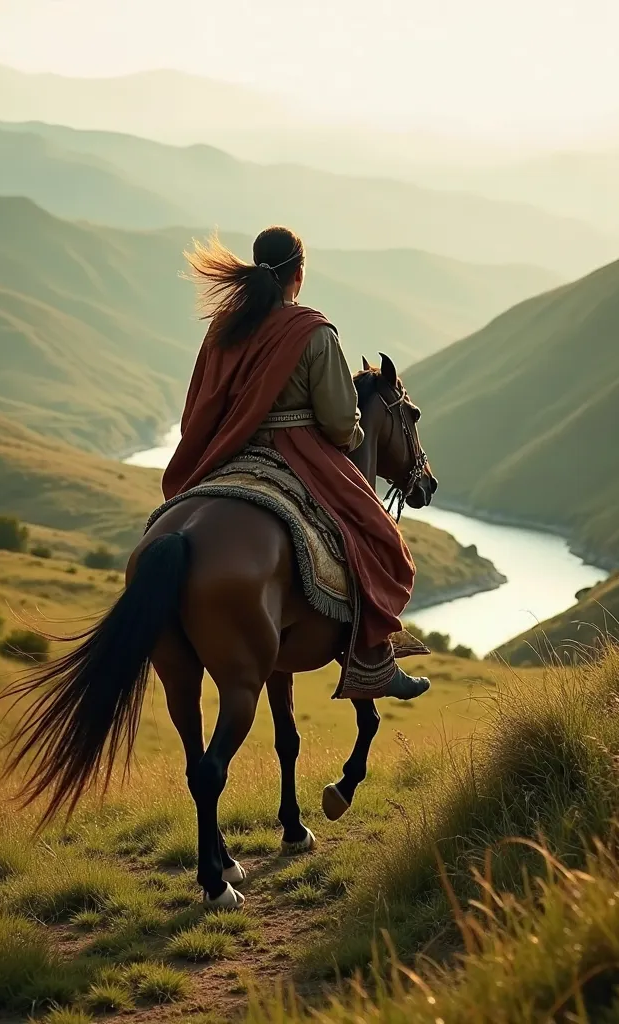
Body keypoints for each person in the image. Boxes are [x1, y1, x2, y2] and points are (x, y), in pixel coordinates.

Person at [162, 225, 430, 701]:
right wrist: (354, 434)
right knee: (373, 535)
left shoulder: (223, 329)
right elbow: (338, 420)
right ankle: (373, 661)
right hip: (299, 452)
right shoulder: (312, 331)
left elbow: (198, 407)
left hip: (229, 449)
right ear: (299, 275)